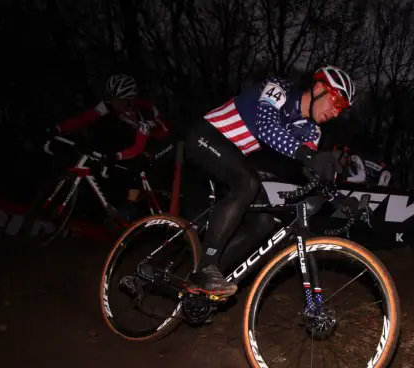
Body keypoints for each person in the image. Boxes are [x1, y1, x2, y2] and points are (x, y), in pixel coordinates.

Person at [182, 65, 355, 297]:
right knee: (248, 183)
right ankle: (205, 269)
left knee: (264, 222)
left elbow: (311, 170)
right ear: (319, 88)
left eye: (341, 109)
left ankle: (203, 282)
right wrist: (309, 156)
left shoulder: (311, 132)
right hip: (206, 137)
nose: (336, 113)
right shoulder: (278, 90)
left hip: (233, 156)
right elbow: (267, 128)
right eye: (336, 102)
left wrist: (340, 199)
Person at [50, 74, 172, 221]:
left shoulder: (144, 113)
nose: (114, 103)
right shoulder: (109, 105)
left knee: (138, 161)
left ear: (129, 99)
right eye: (112, 98)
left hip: (165, 141)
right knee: (110, 150)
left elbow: (138, 147)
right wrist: (59, 129)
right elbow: (84, 118)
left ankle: (130, 208)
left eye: (118, 100)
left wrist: (117, 156)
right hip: (144, 136)